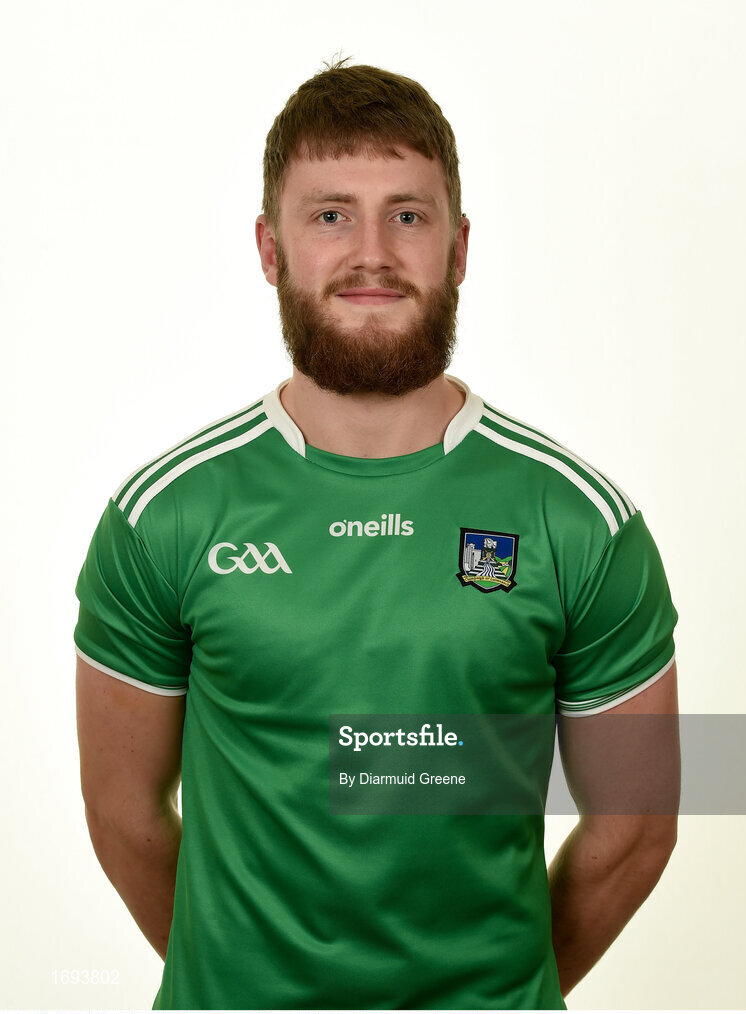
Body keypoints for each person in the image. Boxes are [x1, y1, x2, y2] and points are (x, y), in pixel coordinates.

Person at [74, 57, 680, 1010]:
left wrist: (496, 992)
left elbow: (636, 825)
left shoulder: (578, 522)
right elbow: (122, 814)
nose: (370, 252)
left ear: (459, 246)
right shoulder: (167, 517)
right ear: (270, 250)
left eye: (407, 213)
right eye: (329, 215)